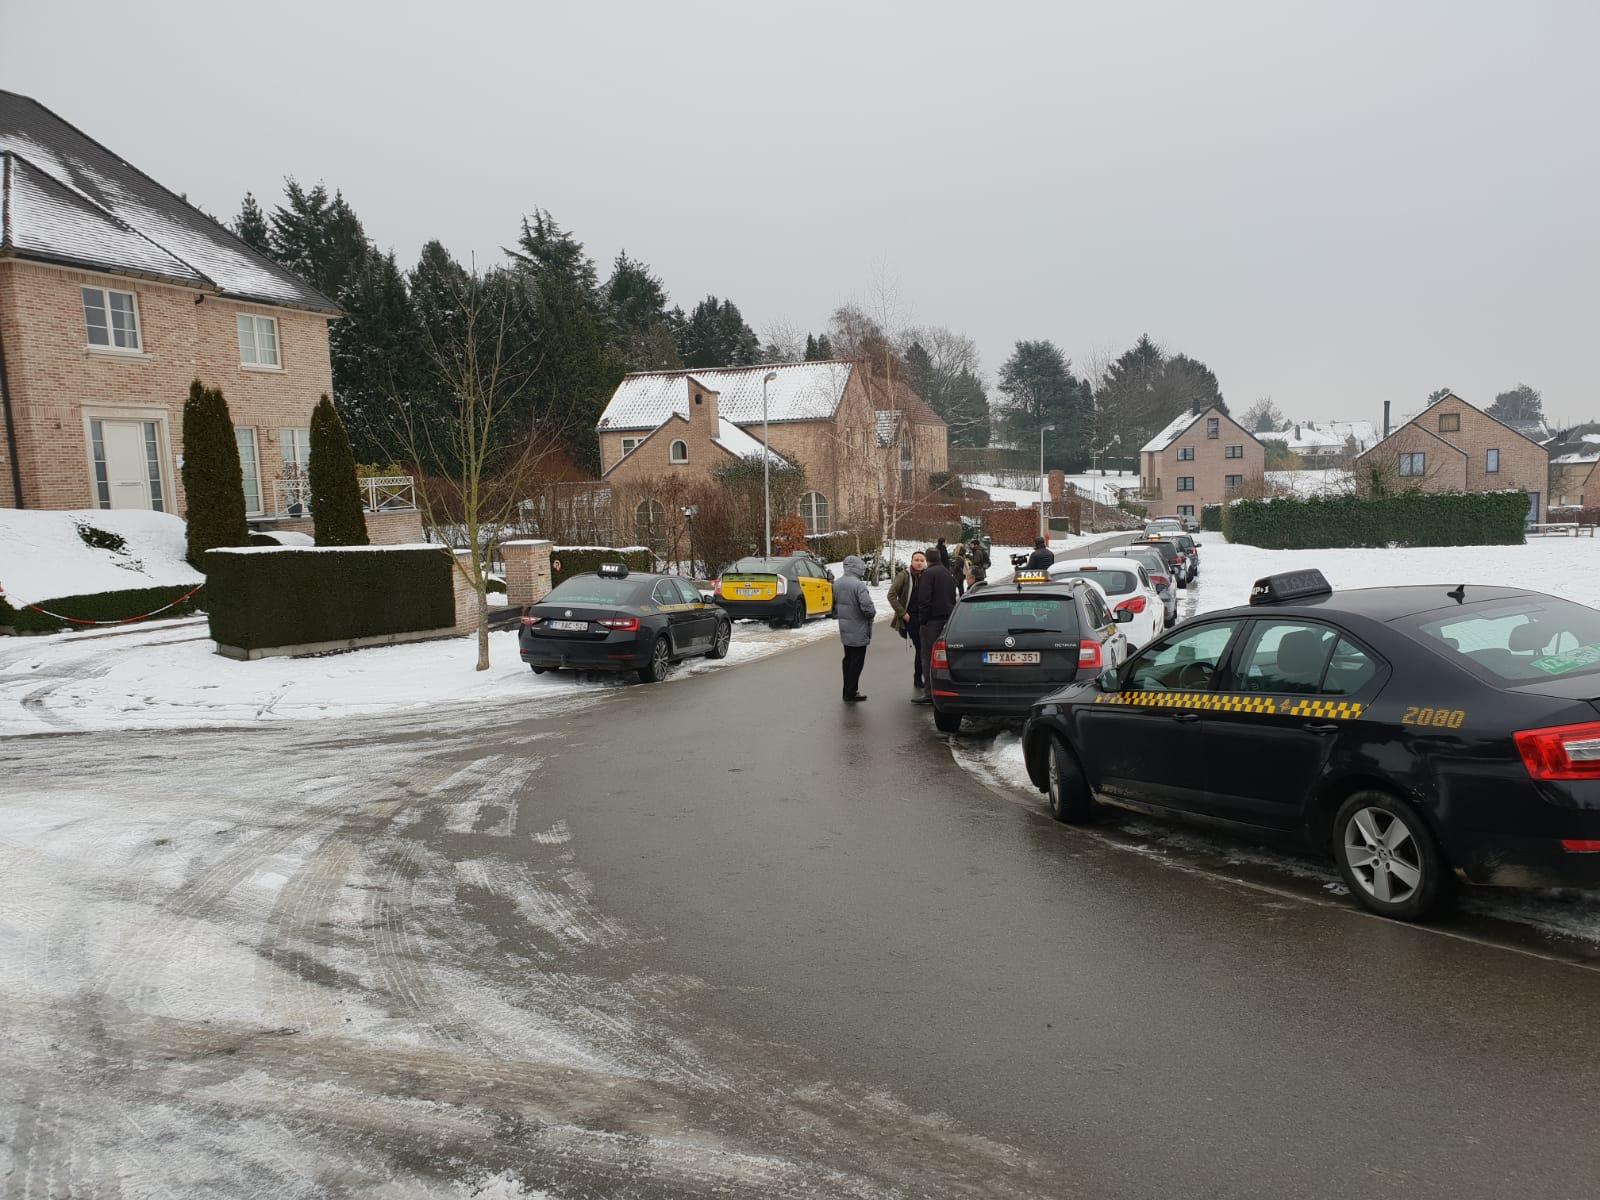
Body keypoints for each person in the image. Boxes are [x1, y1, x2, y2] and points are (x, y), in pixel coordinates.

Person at [912, 546, 958, 704]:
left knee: (928, 657)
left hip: (931, 621)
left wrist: (922, 620)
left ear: (927, 559)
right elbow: (953, 595)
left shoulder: (928, 574)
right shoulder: (947, 573)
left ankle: (929, 692)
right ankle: (944, 689)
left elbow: (924, 599)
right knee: (942, 657)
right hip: (947, 620)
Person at [834, 555, 876, 703]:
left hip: (845, 628)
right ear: (858, 567)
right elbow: (867, 607)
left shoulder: (837, 583)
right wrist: (871, 614)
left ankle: (847, 690)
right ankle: (851, 692)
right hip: (858, 628)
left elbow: (834, 606)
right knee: (857, 662)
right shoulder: (859, 585)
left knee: (848, 660)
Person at [888, 551, 928, 692]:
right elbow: (891, 595)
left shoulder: (928, 575)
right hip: (911, 618)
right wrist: (903, 613)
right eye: (916, 560)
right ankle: (918, 678)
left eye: (922, 560)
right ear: (911, 561)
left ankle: (922, 676)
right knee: (921, 647)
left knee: (923, 648)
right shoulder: (904, 576)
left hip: (925, 617)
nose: (919, 562)